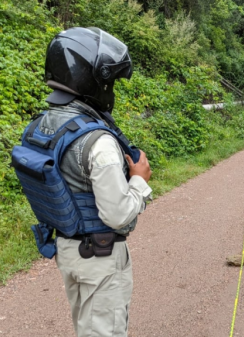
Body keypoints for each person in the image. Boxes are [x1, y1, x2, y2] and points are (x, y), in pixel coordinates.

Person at [12, 27, 152, 336]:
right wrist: (139, 182)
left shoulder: (43, 125)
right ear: (90, 78)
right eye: (109, 81)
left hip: (68, 250)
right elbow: (117, 214)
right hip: (100, 258)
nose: (110, 89)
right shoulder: (97, 140)